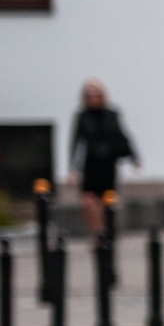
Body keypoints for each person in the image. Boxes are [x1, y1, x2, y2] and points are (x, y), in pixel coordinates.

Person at [67, 80, 138, 234]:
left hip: (108, 163)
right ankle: (98, 232)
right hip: (91, 163)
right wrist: (72, 167)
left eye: (96, 94)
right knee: (87, 201)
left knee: (107, 201)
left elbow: (122, 136)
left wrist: (134, 157)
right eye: (89, 94)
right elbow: (75, 141)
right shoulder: (82, 116)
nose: (93, 97)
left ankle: (107, 230)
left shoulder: (111, 114)